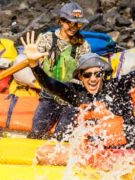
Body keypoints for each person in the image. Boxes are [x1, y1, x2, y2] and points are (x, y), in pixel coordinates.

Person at [21, 31, 135, 167]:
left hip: (124, 152)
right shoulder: (76, 93)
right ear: (81, 78)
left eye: (98, 74)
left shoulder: (117, 87)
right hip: (93, 154)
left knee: (106, 162)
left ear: (103, 75)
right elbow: (50, 84)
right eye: (87, 75)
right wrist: (34, 65)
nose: (93, 79)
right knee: (43, 153)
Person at [28, 1, 91, 141]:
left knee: (62, 139)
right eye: (71, 23)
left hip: (71, 97)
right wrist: (32, 58)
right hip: (49, 95)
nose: (74, 28)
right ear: (61, 21)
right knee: (36, 134)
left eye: (78, 24)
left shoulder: (83, 45)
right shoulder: (47, 39)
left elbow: (86, 73)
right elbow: (34, 63)